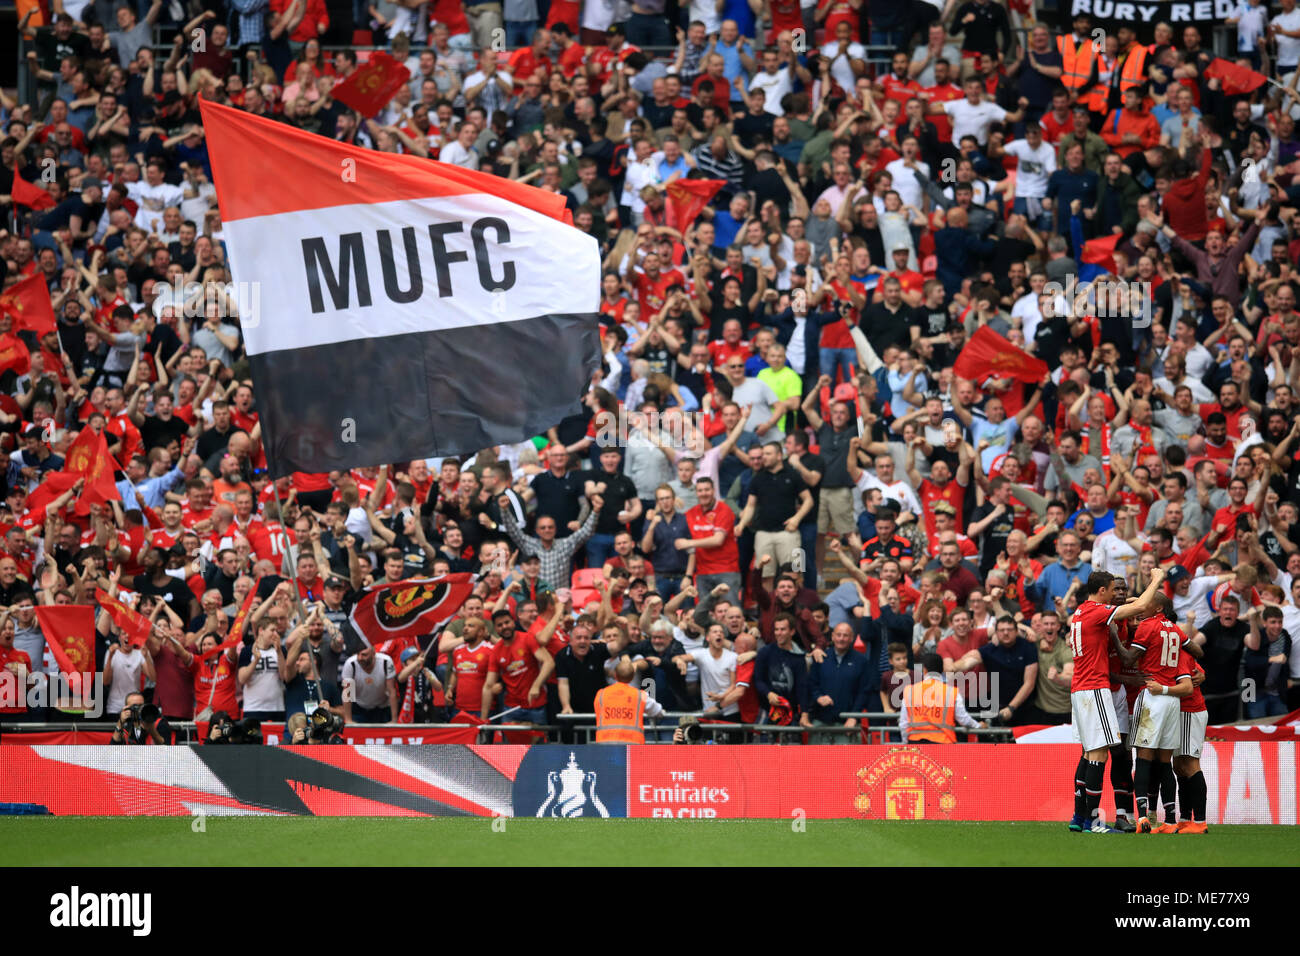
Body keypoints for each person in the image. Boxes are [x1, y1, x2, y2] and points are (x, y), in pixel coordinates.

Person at [1065, 568, 1165, 833]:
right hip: (1095, 686)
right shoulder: (1097, 611)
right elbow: (1142, 605)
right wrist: (1156, 578)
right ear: (1101, 592)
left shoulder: (1080, 612)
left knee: (1088, 754)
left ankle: (1079, 818)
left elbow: (1131, 604)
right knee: (1099, 754)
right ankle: (1093, 822)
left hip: (1080, 689)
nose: (1115, 594)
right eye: (1112, 590)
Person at [898, 653, 984, 743]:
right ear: (942, 670)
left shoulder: (910, 691)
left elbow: (903, 724)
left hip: (916, 744)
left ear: (924, 670)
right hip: (942, 744)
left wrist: (905, 743)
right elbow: (963, 719)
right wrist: (979, 726)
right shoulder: (951, 692)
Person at [593, 656, 665, 742]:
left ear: (615, 675)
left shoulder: (601, 694)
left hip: (605, 744)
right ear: (632, 676)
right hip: (632, 745)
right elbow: (657, 711)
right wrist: (662, 712)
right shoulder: (639, 695)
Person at [341, 643, 398, 724]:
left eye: (364, 655)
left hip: (381, 708)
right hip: (359, 707)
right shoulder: (351, 664)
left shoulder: (386, 662)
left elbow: (392, 691)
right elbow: (347, 694)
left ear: (373, 653)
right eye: (358, 654)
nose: (360, 658)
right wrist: (348, 719)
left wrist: (394, 719)